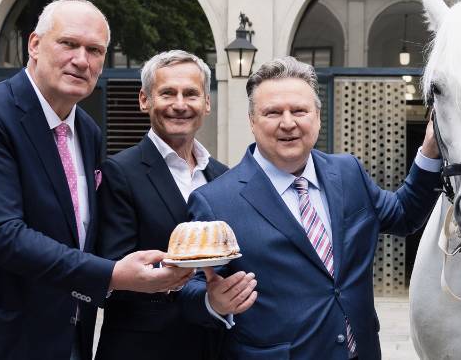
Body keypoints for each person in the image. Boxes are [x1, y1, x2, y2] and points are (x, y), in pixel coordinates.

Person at [0, 0, 193, 360]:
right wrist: (112, 274)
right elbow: (2, 235)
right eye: (69, 44)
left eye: (95, 50)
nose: (82, 60)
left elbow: (77, 232)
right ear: (34, 45)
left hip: (67, 338)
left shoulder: (87, 131)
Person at [180, 56, 442, 359]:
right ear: (252, 121)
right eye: (273, 112)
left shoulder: (349, 173)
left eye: (299, 111)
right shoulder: (216, 201)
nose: (288, 123)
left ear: (317, 116)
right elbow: (189, 290)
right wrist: (212, 302)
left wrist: (430, 150)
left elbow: (404, 215)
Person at [94, 50, 255, 360]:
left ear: (206, 103)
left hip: (213, 346)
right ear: (145, 100)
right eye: (167, 93)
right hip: (144, 350)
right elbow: (114, 272)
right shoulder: (119, 172)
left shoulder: (223, 175)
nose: (180, 104)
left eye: (191, 94)